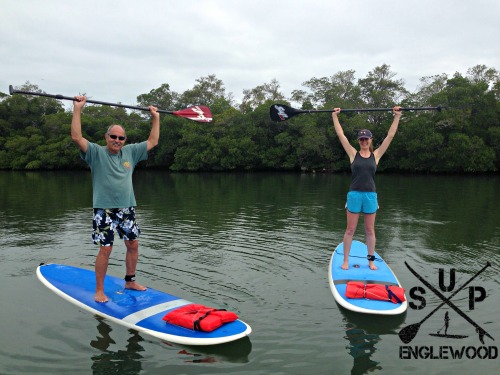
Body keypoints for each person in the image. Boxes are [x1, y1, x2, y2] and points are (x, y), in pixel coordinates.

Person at [71, 96, 160, 302]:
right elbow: (77, 137)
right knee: (106, 249)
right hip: (104, 210)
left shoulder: (130, 152)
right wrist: (78, 109)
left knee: (133, 245)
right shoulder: (95, 152)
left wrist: (155, 118)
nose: (117, 141)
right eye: (113, 136)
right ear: (106, 137)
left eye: (121, 138)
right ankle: (100, 290)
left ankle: (130, 280)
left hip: (127, 208)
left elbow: (153, 141)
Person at [332, 106, 402, 270]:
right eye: (361, 139)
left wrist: (397, 116)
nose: (364, 141)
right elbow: (341, 136)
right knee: (350, 230)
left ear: (370, 140)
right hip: (354, 195)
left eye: (366, 139)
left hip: (370, 196)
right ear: (358, 141)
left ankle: (370, 261)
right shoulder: (352, 154)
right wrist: (335, 117)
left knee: (370, 231)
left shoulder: (376, 155)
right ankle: (346, 261)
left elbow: (390, 136)